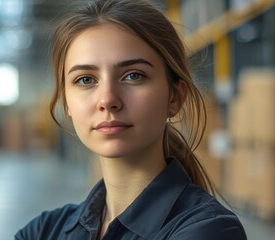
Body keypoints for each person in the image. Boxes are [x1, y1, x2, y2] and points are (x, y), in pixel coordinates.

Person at [16, 0, 247, 239]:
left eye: (133, 75)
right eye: (85, 80)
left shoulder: (209, 231)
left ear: (174, 98)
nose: (107, 99)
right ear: (67, 103)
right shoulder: (43, 231)